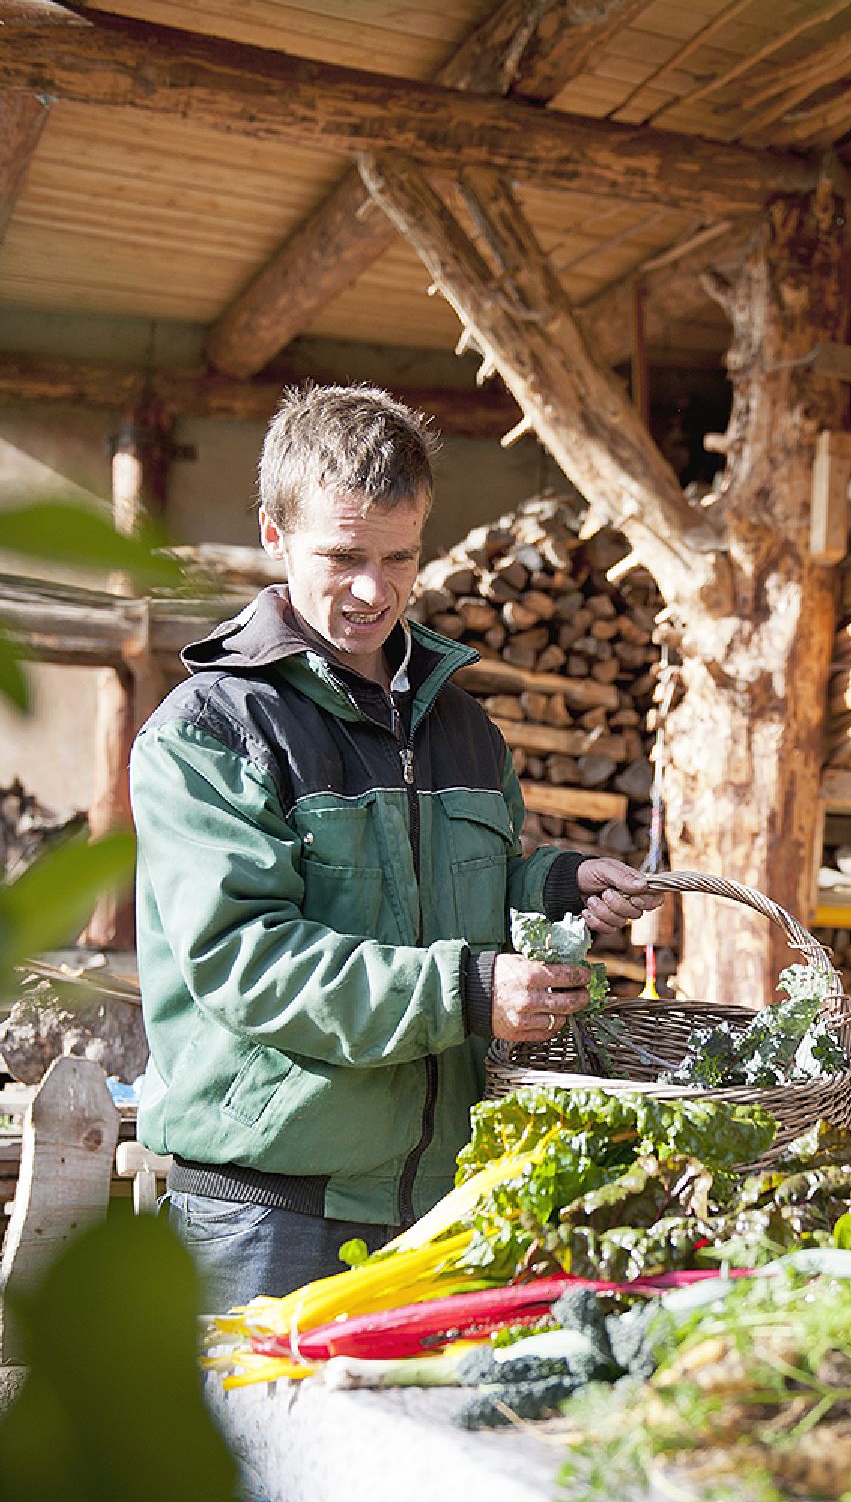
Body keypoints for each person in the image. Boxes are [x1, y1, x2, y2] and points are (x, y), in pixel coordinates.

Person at [130, 382, 660, 1311]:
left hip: (442, 1204)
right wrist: (465, 991)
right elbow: (247, 960)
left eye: (399, 556)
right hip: (268, 1215)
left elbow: (468, 891)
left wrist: (561, 886)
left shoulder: (463, 727)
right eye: (343, 557)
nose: (374, 590)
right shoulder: (209, 731)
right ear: (273, 534)